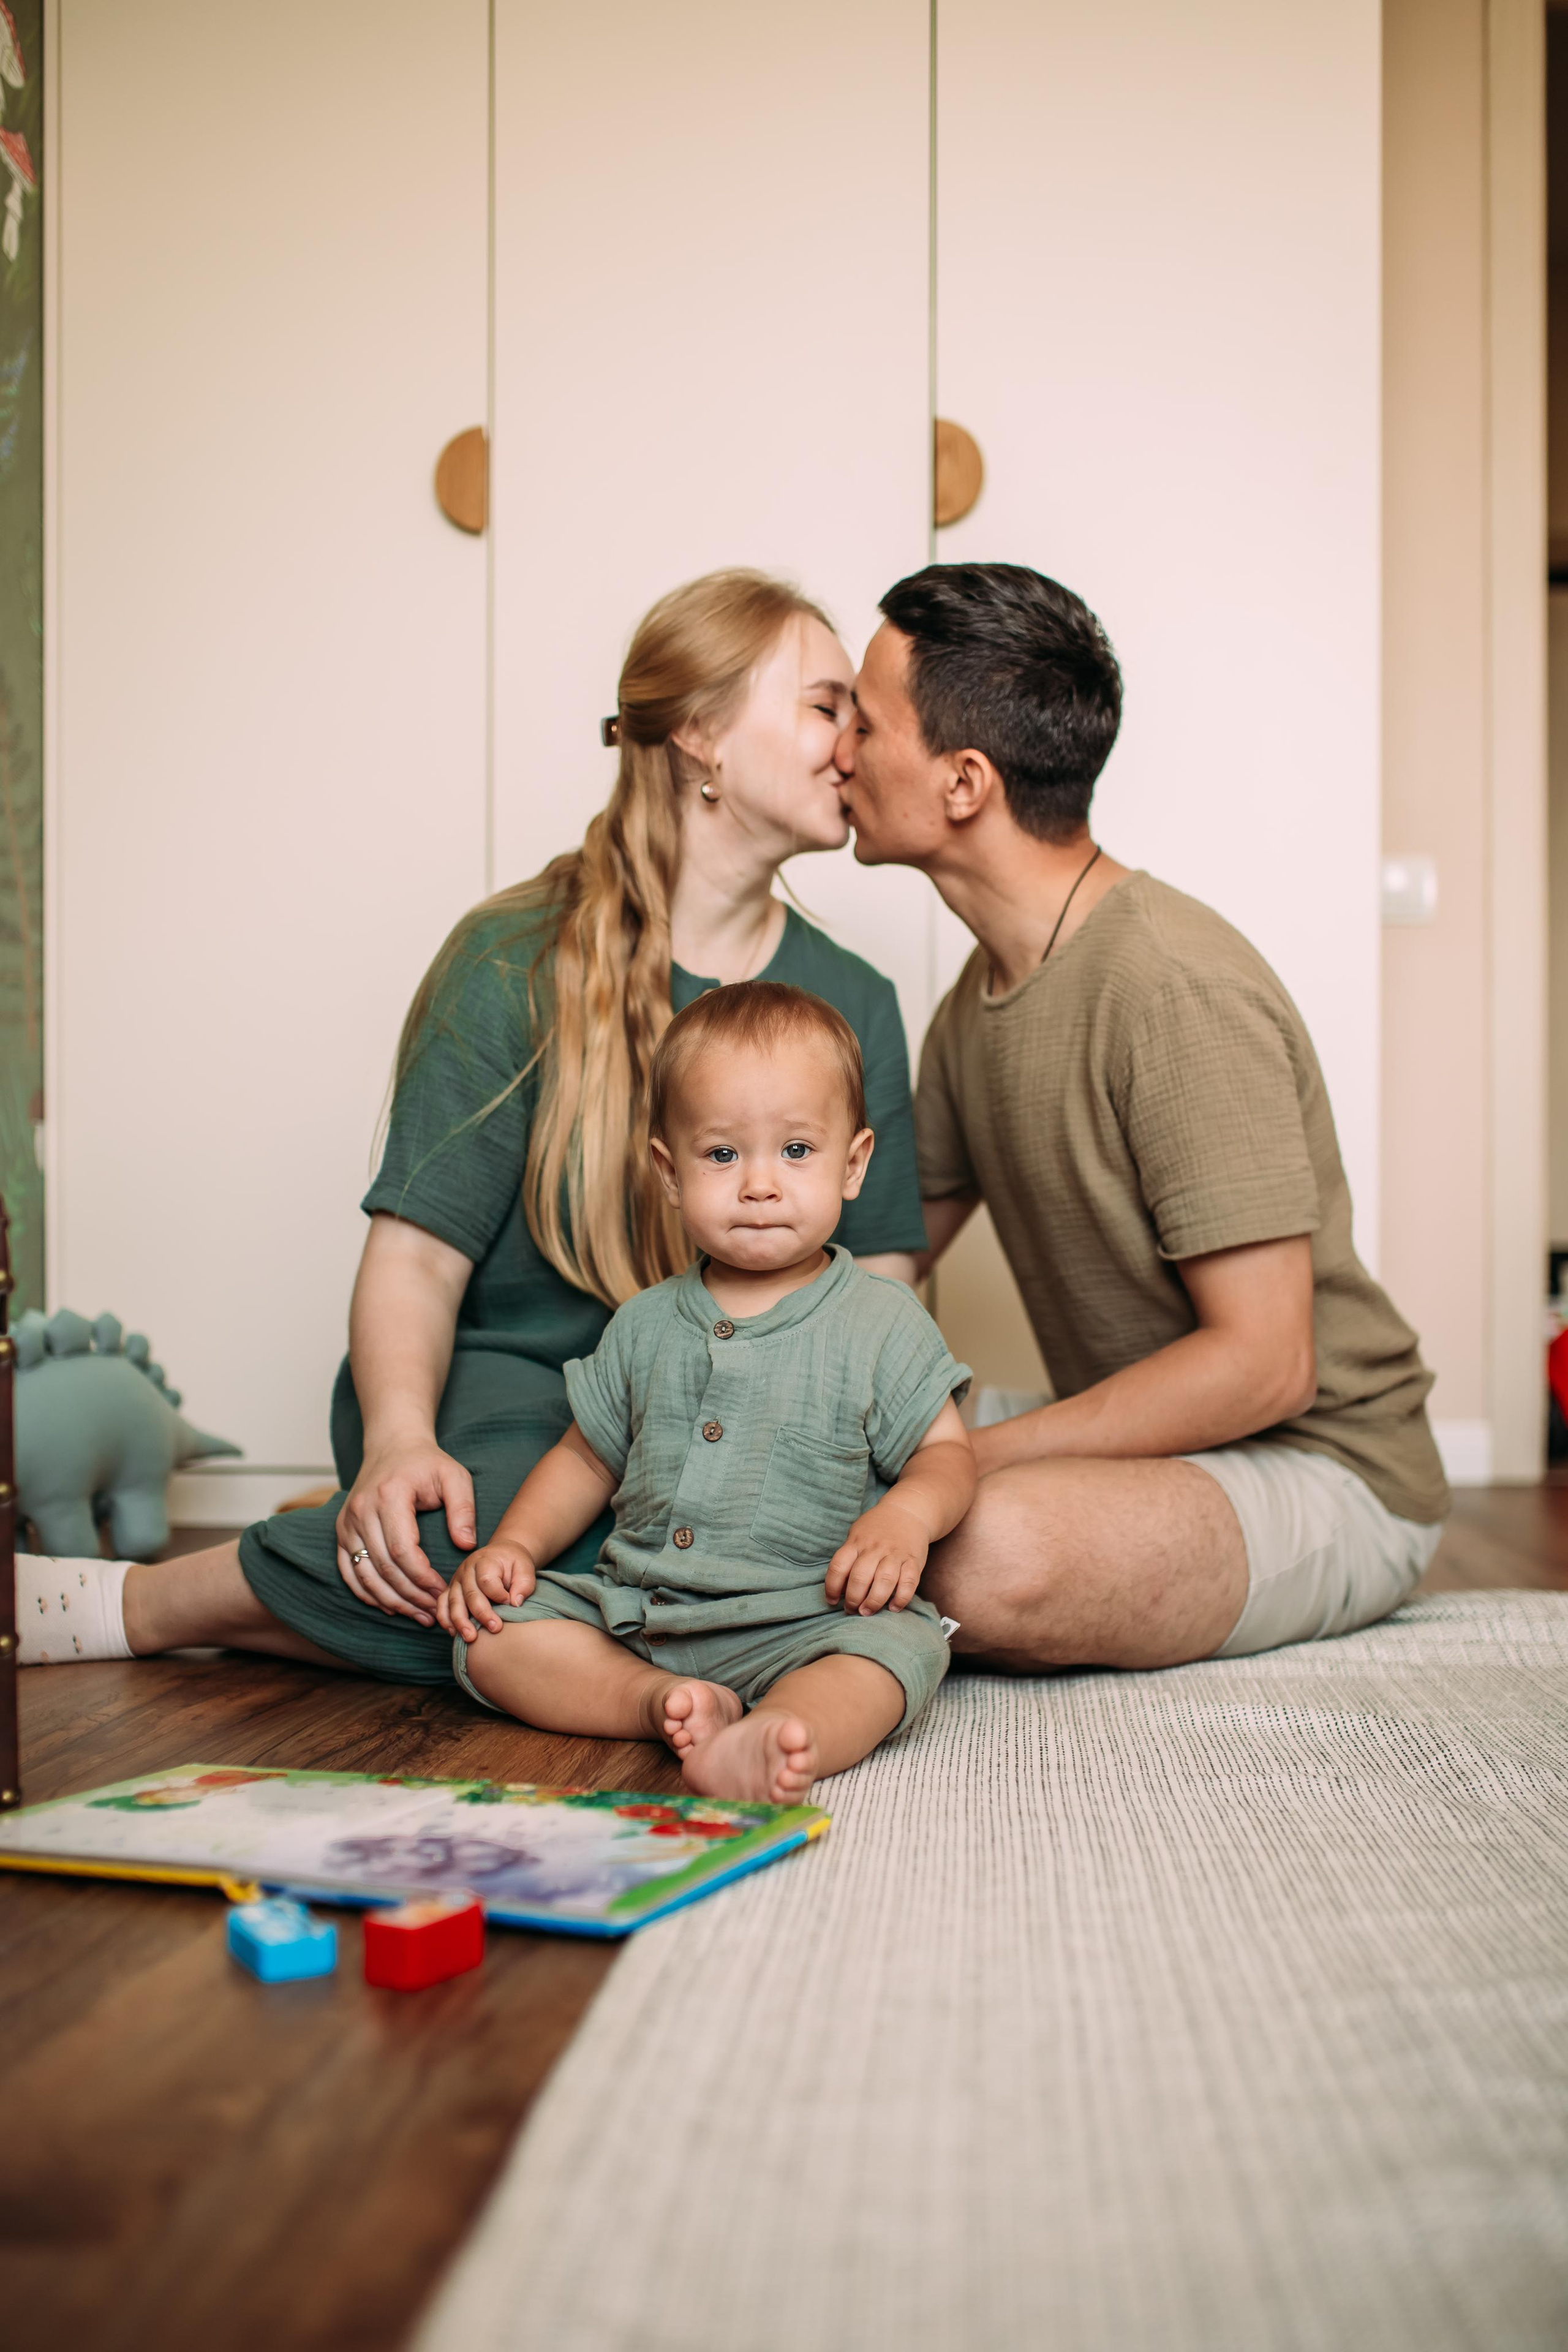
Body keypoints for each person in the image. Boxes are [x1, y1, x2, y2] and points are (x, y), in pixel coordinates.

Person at [19, 572, 930, 1678]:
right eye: (826, 704)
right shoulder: (510, 957)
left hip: (728, 1402)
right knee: (533, 1541)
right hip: (499, 1389)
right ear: (700, 735)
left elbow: (877, 1286)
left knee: (751, 1554)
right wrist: (400, 1441)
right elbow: (414, 1259)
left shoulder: (856, 1001)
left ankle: (312, 1574)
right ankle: (154, 1603)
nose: (857, 741)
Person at [835, 560, 1450, 1672]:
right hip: (1163, 1443)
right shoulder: (968, 1009)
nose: (838, 752)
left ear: (963, 781)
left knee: (980, 1553)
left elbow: (1268, 1367)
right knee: (843, 1460)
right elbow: (883, 1262)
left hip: (1329, 1465)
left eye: (864, 725)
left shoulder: (1173, 988)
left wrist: (973, 1461)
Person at [437, 982, 974, 1802]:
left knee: (897, 1654)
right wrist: (515, 1548)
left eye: (797, 1151)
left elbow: (946, 1455)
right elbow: (584, 1458)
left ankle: (782, 1733)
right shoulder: (645, 1323)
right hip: (642, 1615)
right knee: (489, 1638)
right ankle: (662, 1705)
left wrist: (905, 1517)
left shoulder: (881, 1320)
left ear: (854, 1163)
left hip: (811, 1620)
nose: (760, 1185)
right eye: (723, 1155)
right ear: (669, 1171)